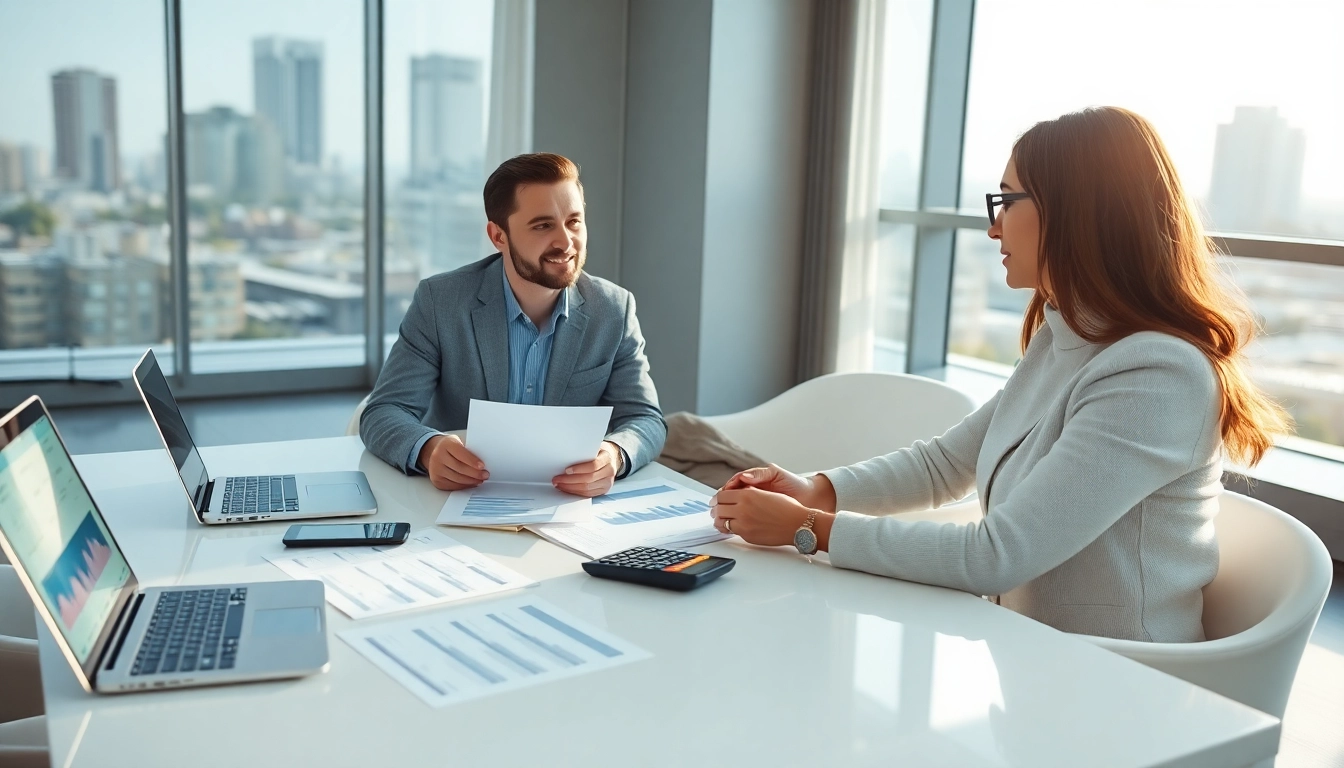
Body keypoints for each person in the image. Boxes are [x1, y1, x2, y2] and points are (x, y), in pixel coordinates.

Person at [710, 107, 1289, 642]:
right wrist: (816, 489)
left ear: (1074, 213)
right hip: (1033, 660)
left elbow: (997, 555)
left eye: (1007, 202)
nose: (994, 230)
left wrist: (809, 527)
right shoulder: (1066, 336)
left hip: (1122, 687)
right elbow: (946, 463)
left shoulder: (1157, 377)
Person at [360, 152, 666, 497]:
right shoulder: (440, 302)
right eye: (543, 225)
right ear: (499, 236)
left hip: (566, 505)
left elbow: (645, 419)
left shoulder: (613, 309)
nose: (566, 243)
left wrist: (615, 454)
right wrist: (428, 449)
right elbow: (384, 412)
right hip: (461, 500)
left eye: (574, 222)